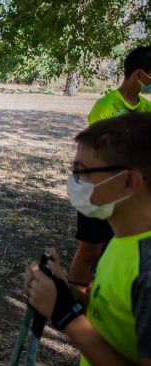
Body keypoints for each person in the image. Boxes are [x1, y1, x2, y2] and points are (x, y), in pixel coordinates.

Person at [26, 112, 151, 366]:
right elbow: (113, 314)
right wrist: (64, 292)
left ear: (128, 181)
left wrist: (66, 315)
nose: (74, 182)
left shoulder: (147, 265)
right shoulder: (122, 238)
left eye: (82, 172)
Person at [69, 46, 151, 292]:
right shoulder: (106, 105)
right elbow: (97, 155)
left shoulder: (147, 110)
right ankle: (76, 299)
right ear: (140, 75)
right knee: (90, 249)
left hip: (131, 196)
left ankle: (101, 296)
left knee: (114, 247)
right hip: (103, 189)